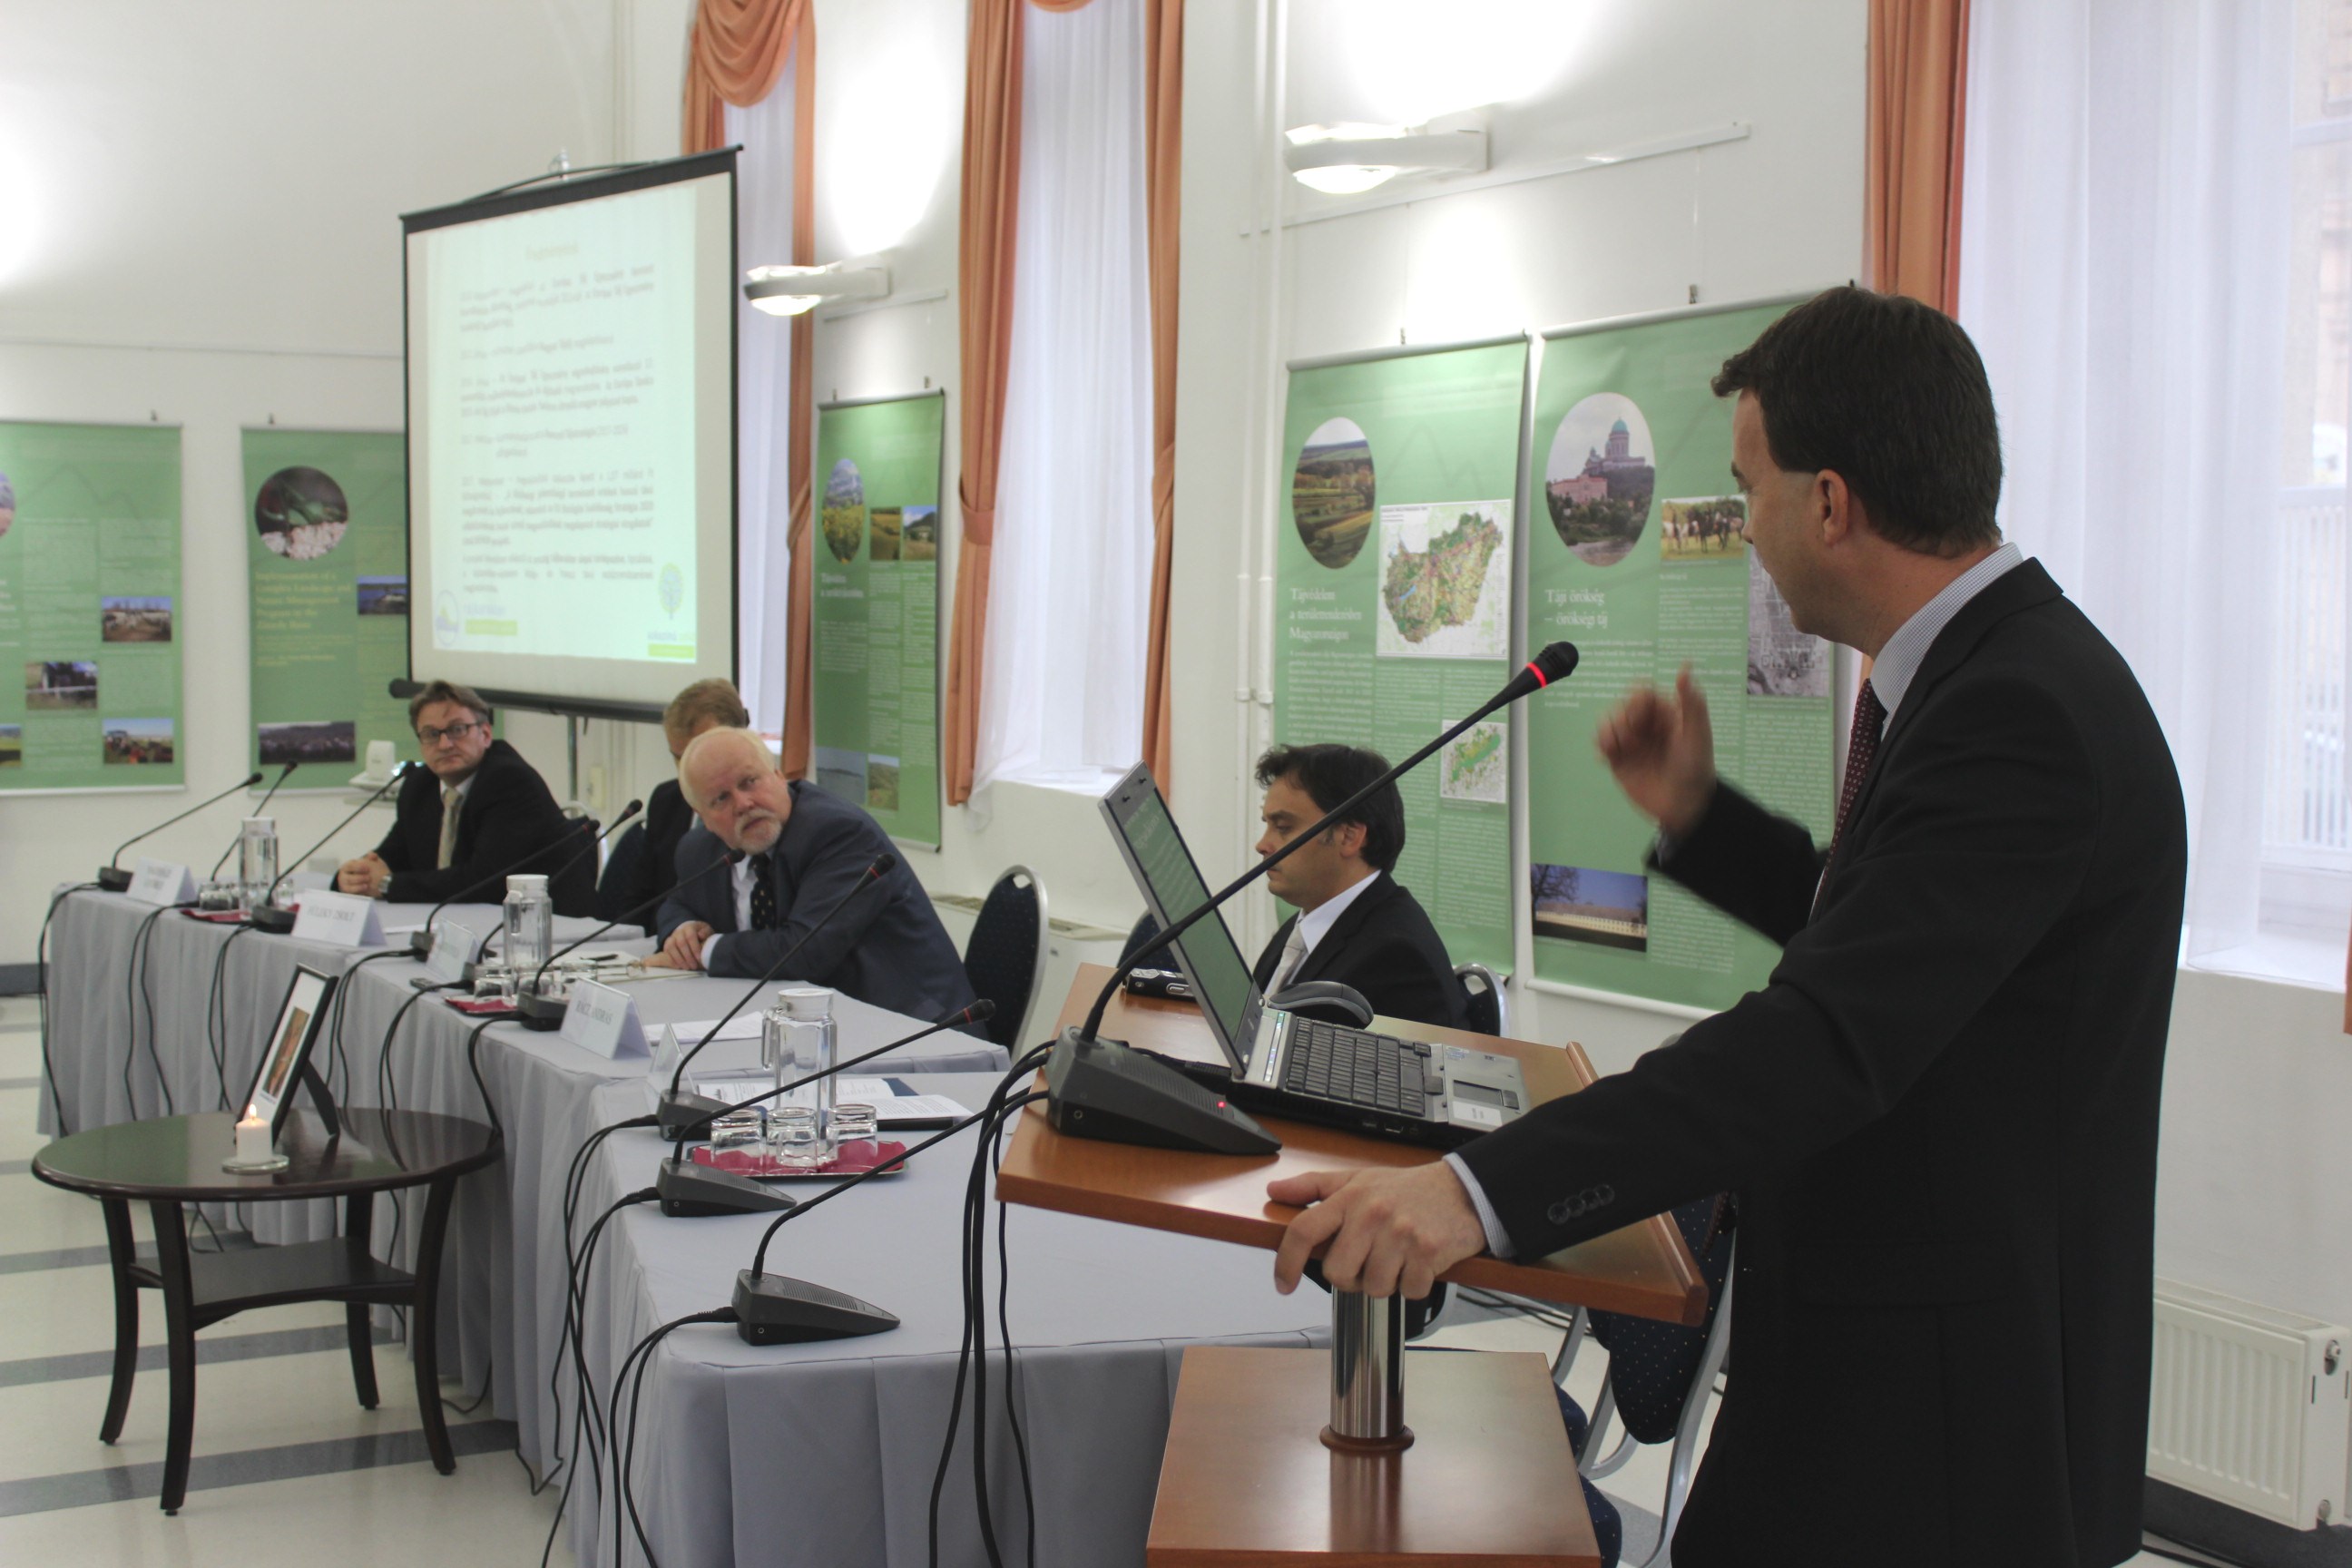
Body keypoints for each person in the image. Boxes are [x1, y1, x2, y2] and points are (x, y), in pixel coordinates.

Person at [1263, 288, 2187, 1568]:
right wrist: (1702, 818)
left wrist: (1479, 1192)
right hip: (1894, 1376)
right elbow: (1896, 940)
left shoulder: (2014, 711)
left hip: (1946, 1422)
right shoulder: (1996, 674)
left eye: (1750, 489)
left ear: (1831, 502)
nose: (1746, 526)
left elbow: (1830, 1035)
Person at [650, 727, 978, 1024]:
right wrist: (682, 931)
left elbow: (803, 951)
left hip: (909, 1027)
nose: (743, 803)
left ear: (778, 775)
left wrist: (705, 952)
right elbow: (678, 902)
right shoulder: (699, 850)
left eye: (749, 782)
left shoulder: (839, 833)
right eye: (721, 798)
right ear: (703, 816)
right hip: (801, 1024)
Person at [1249, 743, 1465, 1029]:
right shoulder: (1305, 922)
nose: (1262, 845)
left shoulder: (1396, 958)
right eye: (1267, 824)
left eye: (1283, 827)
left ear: (1350, 836)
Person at [336, 680, 593, 915]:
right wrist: (355, 876)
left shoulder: (510, 781)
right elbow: (393, 856)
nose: (445, 744)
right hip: (468, 921)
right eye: (431, 734)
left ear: (486, 734)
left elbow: (483, 880)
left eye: (457, 730)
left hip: (550, 927)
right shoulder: (419, 784)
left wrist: (387, 884)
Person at [609, 678, 750, 920]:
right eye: (678, 757)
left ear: (738, 738)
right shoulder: (666, 801)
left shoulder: (756, 807)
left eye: (697, 754)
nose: (686, 769)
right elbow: (639, 902)